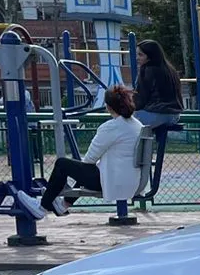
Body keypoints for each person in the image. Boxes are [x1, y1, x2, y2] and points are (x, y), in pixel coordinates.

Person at [17, 85, 143, 218]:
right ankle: (63, 205)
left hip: (111, 182)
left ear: (108, 106)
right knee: (86, 170)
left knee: (62, 164)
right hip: (132, 181)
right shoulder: (137, 125)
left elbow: (89, 160)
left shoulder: (111, 127)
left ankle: (41, 207)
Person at [133, 39, 195, 169]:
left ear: (150, 56)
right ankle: (144, 154)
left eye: (140, 55)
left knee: (125, 123)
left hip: (156, 113)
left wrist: (130, 109)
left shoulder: (147, 70)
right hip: (174, 115)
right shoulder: (170, 70)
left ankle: (134, 157)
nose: (137, 58)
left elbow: (141, 99)